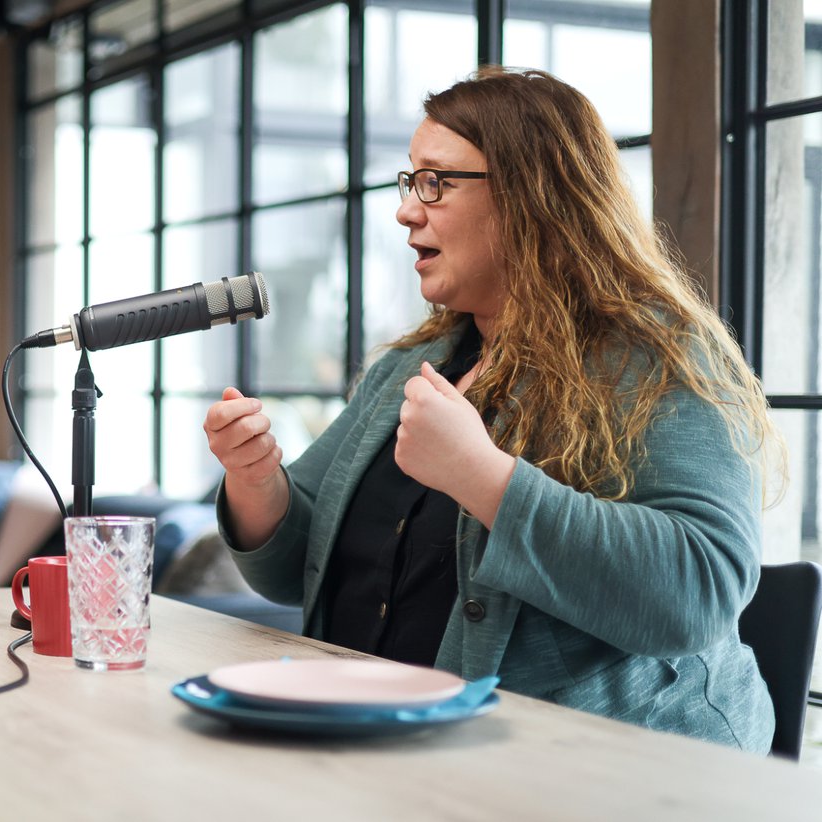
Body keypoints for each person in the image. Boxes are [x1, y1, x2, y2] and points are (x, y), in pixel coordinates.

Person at [203, 67, 780, 751]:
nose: (407, 209)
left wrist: (484, 478)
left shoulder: (658, 357)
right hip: (379, 753)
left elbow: (702, 592)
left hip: (612, 775)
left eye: (437, 183)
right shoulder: (407, 367)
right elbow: (289, 569)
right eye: (410, 181)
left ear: (531, 196)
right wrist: (255, 479)